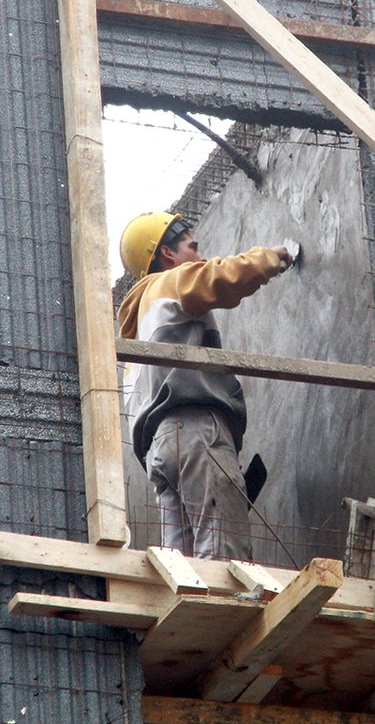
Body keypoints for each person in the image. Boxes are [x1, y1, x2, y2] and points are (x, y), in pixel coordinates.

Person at [117, 211, 292, 560]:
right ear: (168, 255)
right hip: (196, 430)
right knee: (222, 559)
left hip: (159, 452)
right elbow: (221, 277)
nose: (200, 256)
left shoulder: (136, 329)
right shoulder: (171, 282)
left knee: (181, 567)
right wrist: (273, 257)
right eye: (192, 248)